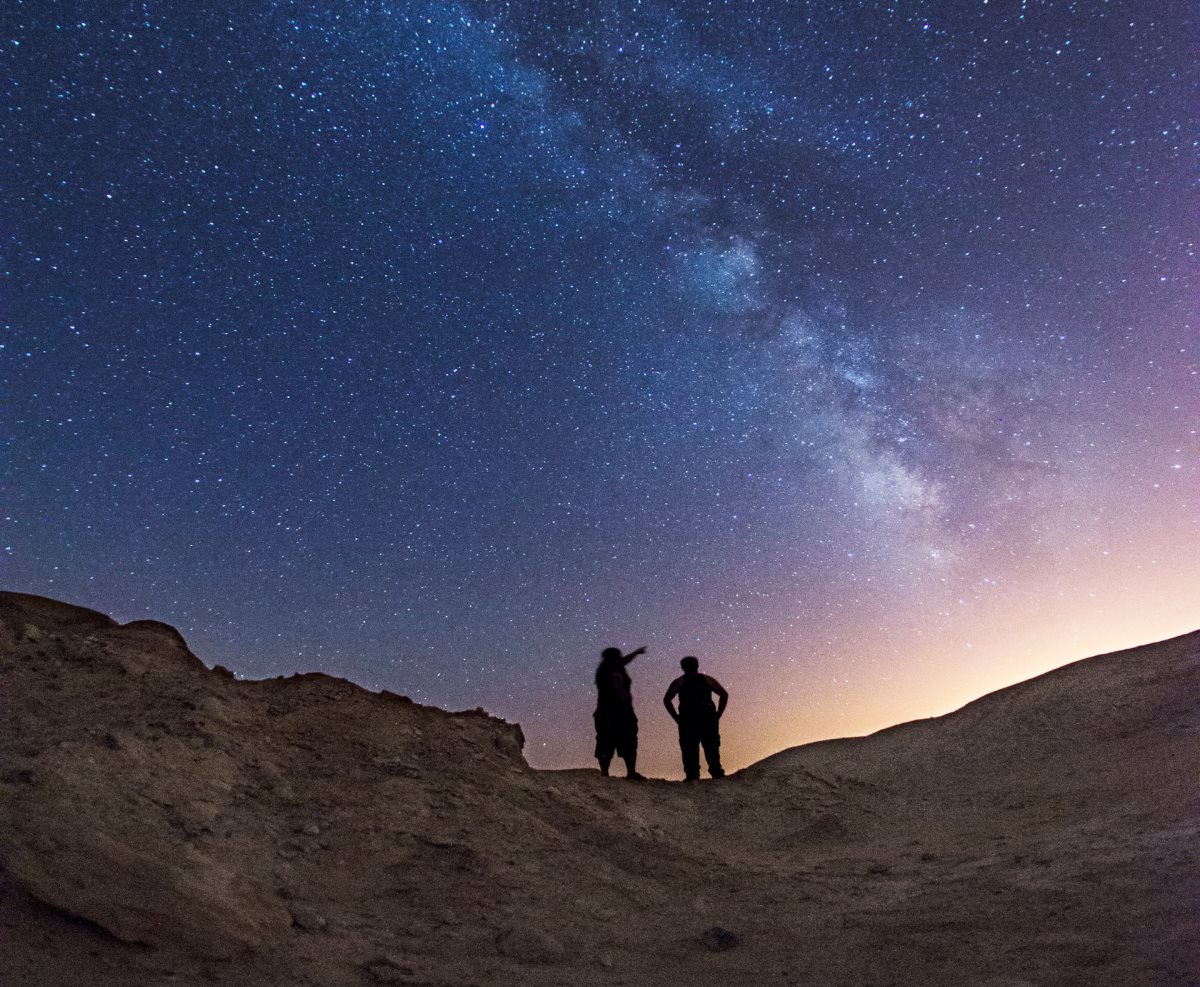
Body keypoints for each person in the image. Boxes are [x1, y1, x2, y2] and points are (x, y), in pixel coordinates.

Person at [663, 656, 728, 781]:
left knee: (690, 748)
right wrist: (718, 714)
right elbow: (723, 694)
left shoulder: (679, 681)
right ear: (697, 665)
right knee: (711, 746)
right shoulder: (707, 679)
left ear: (682, 667)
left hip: (689, 720)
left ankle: (693, 776)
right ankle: (716, 773)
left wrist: (676, 717)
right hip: (706, 718)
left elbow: (667, 700)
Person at [593, 645, 647, 779]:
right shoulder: (612, 670)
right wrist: (623, 696)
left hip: (606, 712)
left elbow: (625, 660)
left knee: (606, 741)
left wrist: (636, 652)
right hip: (618, 712)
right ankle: (630, 772)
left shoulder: (607, 667)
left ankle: (606, 773)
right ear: (615, 658)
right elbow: (617, 684)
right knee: (625, 740)